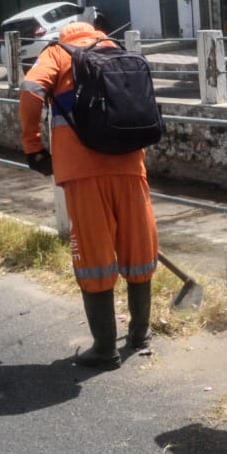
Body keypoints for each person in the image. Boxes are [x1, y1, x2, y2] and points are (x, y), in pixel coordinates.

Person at [19, 21, 159, 369]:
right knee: (138, 251)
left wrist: (33, 146)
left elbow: (31, 89)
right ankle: (140, 335)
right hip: (130, 166)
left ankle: (105, 348)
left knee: (94, 255)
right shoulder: (120, 53)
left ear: (63, 37)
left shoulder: (57, 54)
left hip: (83, 173)